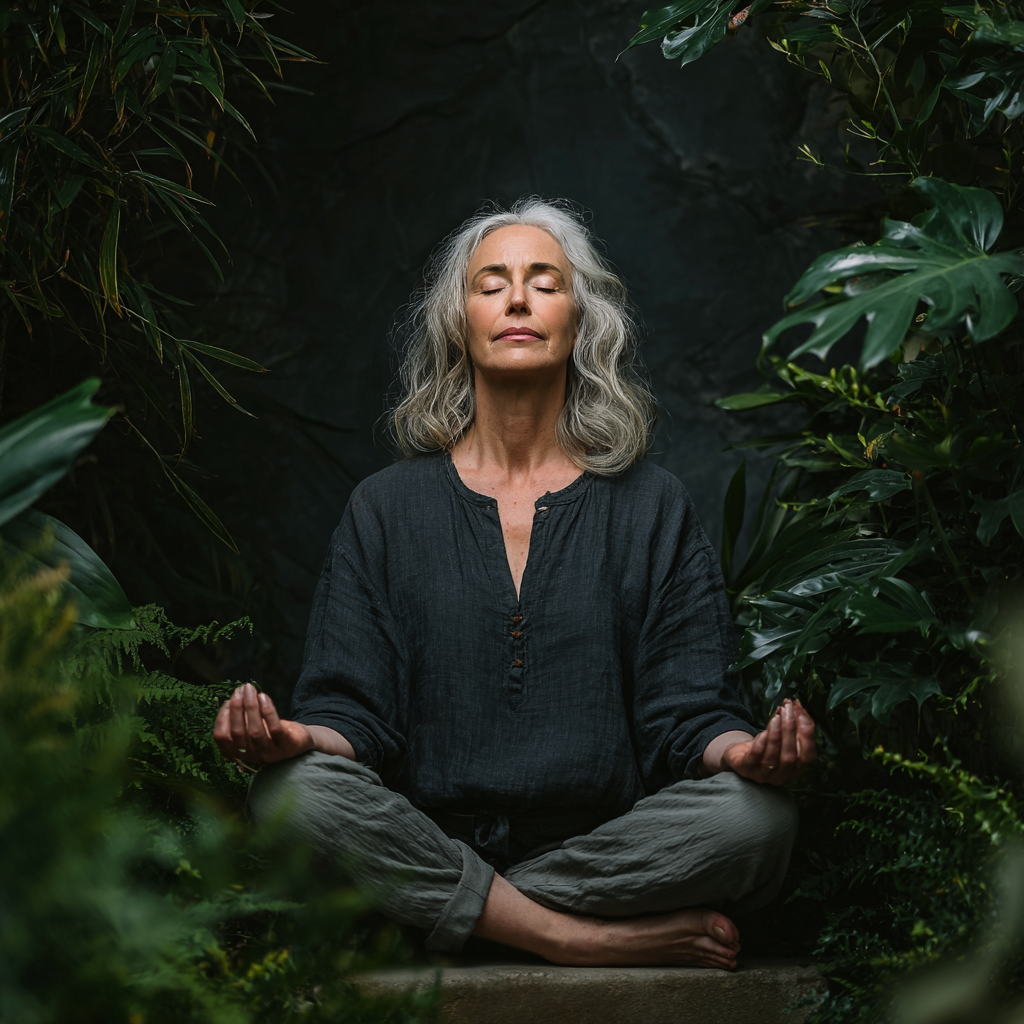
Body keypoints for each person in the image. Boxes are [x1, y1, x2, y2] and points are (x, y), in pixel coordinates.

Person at [213, 198, 817, 970]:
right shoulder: (386, 508)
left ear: (581, 321)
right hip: (425, 834)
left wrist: (750, 754)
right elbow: (349, 713)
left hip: (602, 851)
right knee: (290, 794)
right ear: (459, 323)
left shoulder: (652, 504)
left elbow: (690, 712)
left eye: (545, 282)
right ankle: (576, 938)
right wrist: (294, 739)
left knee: (758, 820)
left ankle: (456, 915)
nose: (519, 300)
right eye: (491, 283)